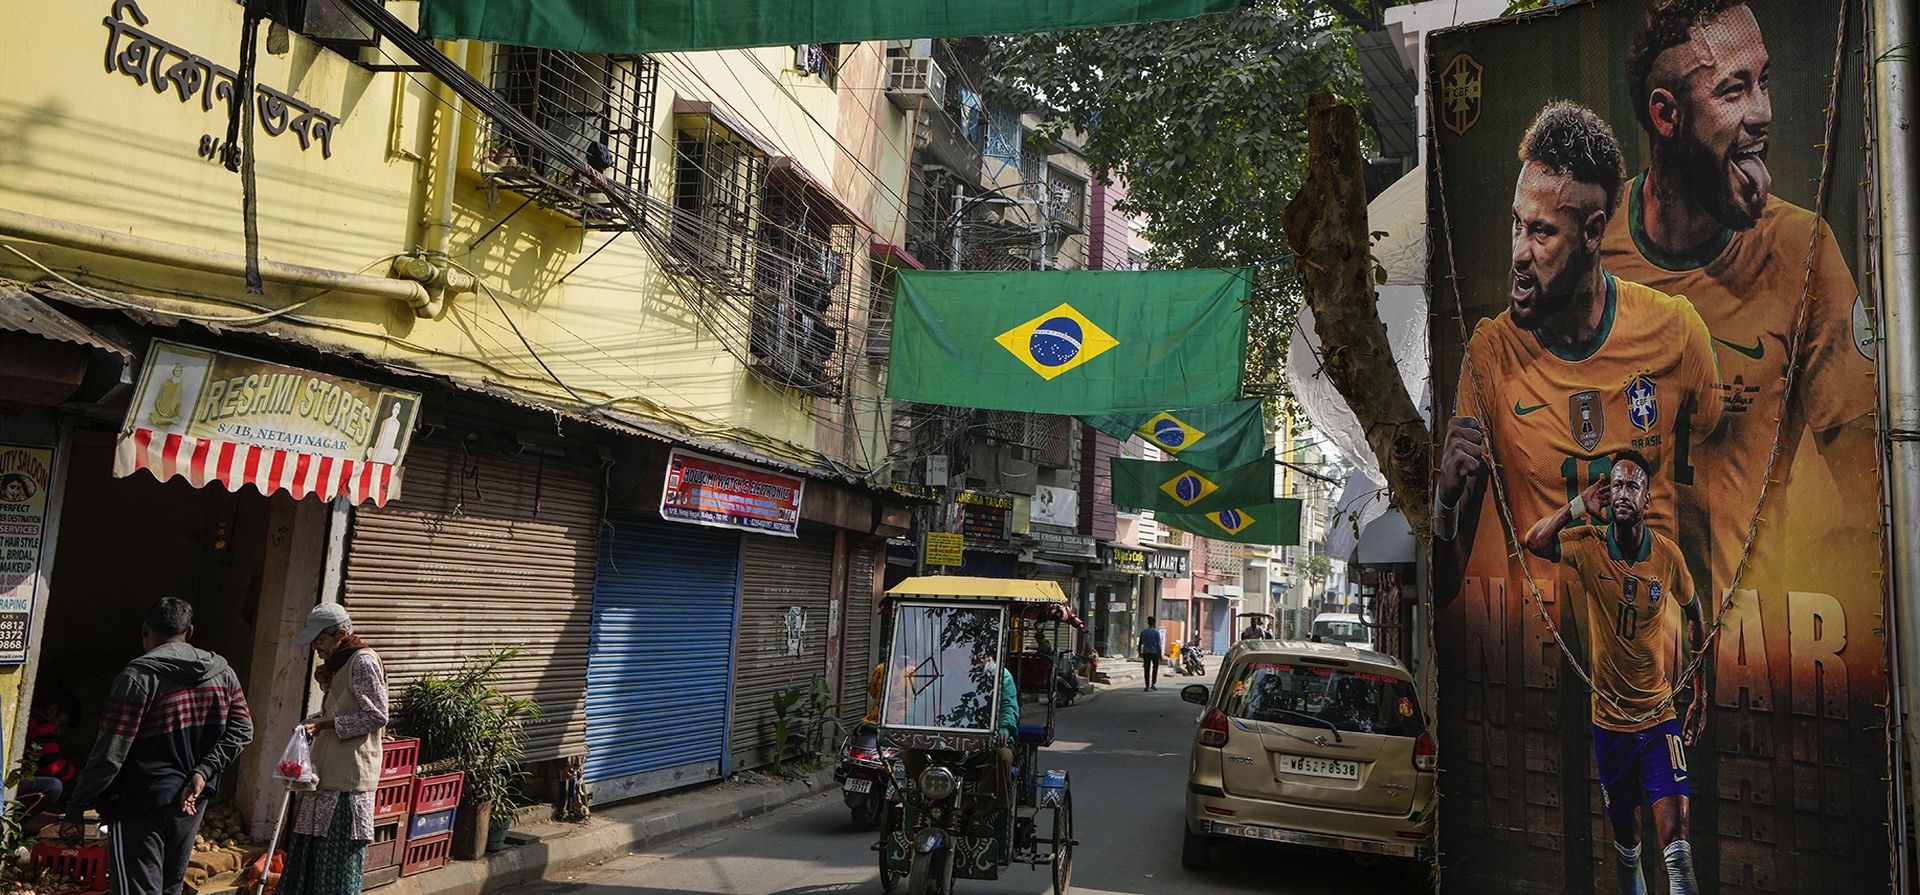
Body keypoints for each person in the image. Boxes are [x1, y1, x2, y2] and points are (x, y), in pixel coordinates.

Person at [1602, 0, 1878, 599]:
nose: (1763, 113)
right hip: (1626, 652)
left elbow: (1871, 504)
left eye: (1765, 81)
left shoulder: (1802, 252)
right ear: (1666, 115)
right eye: (1733, 90)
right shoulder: (1592, 253)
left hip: (1754, 664)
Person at [1435, 101, 1722, 602]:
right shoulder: (1490, 354)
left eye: (1541, 231)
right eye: (1516, 224)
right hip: (1536, 662)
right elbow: (1445, 589)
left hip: (1645, 660)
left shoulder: (1676, 331)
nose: (1519, 252)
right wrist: (1443, 503)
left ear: (1592, 232)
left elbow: (1706, 506)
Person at [1522, 451, 1706, 895]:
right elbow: (1534, 541)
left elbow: (1696, 615)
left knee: (1677, 849)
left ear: (1646, 500)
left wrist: (1700, 692)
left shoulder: (1666, 555)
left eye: (1633, 486)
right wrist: (1577, 505)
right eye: (1617, 485)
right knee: (1629, 846)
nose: (1623, 492)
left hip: (1659, 717)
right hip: (1609, 724)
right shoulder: (1588, 543)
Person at [62, 598, 254, 895]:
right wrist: (203, 771)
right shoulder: (222, 674)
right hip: (191, 801)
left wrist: (77, 807)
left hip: (138, 801)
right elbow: (242, 730)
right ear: (189, 631)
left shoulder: (138, 677)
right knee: (169, 888)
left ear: (145, 631)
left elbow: (110, 754)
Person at [278, 604, 390, 895]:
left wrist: (325, 724)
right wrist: (318, 719)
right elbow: (345, 708)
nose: (317, 648)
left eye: (320, 641)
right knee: (311, 861)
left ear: (341, 633)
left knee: (336, 867)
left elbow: (377, 715)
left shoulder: (362, 662)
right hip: (327, 776)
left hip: (347, 784)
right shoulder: (341, 663)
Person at [18, 689, 82, 812]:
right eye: (61, 724)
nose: (58, 732)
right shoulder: (42, 725)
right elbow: (52, 767)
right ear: (52, 710)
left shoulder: (27, 717)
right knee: (53, 786)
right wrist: (81, 778)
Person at [1137, 617, 1164, 691]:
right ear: (1154, 623)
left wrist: (1140, 653)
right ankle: (1153, 683)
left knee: (1146, 669)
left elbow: (1140, 644)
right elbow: (1158, 645)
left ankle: (1147, 685)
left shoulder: (1144, 632)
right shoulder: (1156, 633)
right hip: (1154, 653)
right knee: (1155, 668)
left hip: (1146, 653)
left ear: (1148, 623)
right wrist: (1160, 655)